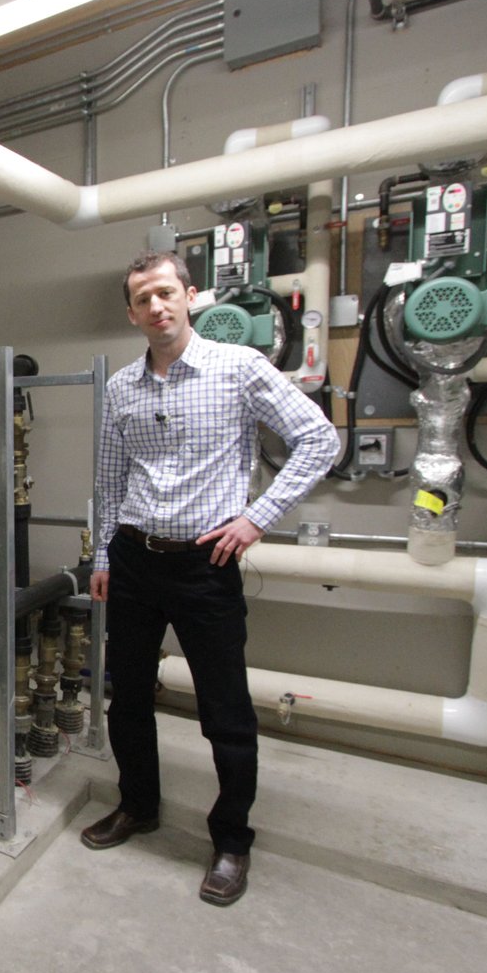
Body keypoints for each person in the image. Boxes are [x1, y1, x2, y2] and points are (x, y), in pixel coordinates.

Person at [81, 251, 338, 906]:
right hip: (135, 556)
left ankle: (231, 840)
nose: (156, 307)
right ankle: (138, 804)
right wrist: (104, 557)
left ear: (190, 295)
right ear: (132, 311)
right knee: (127, 697)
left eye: (166, 292)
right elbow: (109, 481)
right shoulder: (120, 389)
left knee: (224, 710)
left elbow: (319, 438)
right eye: (142, 298)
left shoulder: (239, 368)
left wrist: (257, 519)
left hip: (207, 562)